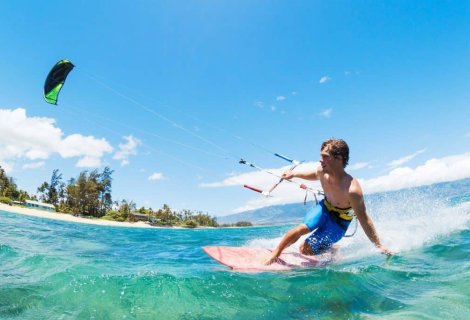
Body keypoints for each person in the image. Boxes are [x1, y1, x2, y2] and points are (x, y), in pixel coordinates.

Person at [264, 138, 392, 265]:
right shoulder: (322, 171)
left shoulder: (352, 190)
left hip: (339, 222)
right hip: (324, 208)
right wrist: (294, 174)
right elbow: (314, 174)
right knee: (301, 228)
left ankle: (333, 249)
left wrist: (379, 245)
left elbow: (364, 219)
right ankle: (275, 254)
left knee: (305, 250)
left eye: (325, 156)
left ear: (339, 158)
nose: (320, 160)